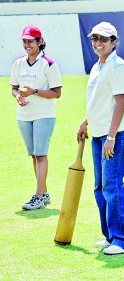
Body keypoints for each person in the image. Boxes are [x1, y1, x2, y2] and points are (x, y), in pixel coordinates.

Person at [77, 22, 124, 255]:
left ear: (114, 42)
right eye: (95, 39)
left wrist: (111, 136)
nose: (98, 43)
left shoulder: (119, 66)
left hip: (116, 136)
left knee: (112, 186)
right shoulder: (96, 66)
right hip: (100, 135)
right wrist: (86, 121)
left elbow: (122, 102)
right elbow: (99, 102)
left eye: (103, 39)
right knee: (100, 188)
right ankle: (110, 235)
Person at [10, 25, 62, 210]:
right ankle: (44, 193)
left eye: (31, 41)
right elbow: (14, 87)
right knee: (34, 155)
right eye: (24, 41)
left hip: (44, 115)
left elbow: (57, 93)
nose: (27, 45)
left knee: (41, 155)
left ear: (40, 42)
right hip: (24, 116)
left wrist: (35, 91)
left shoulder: (49, 63)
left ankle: (38, 197)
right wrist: (18, 95)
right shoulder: (18, 63)